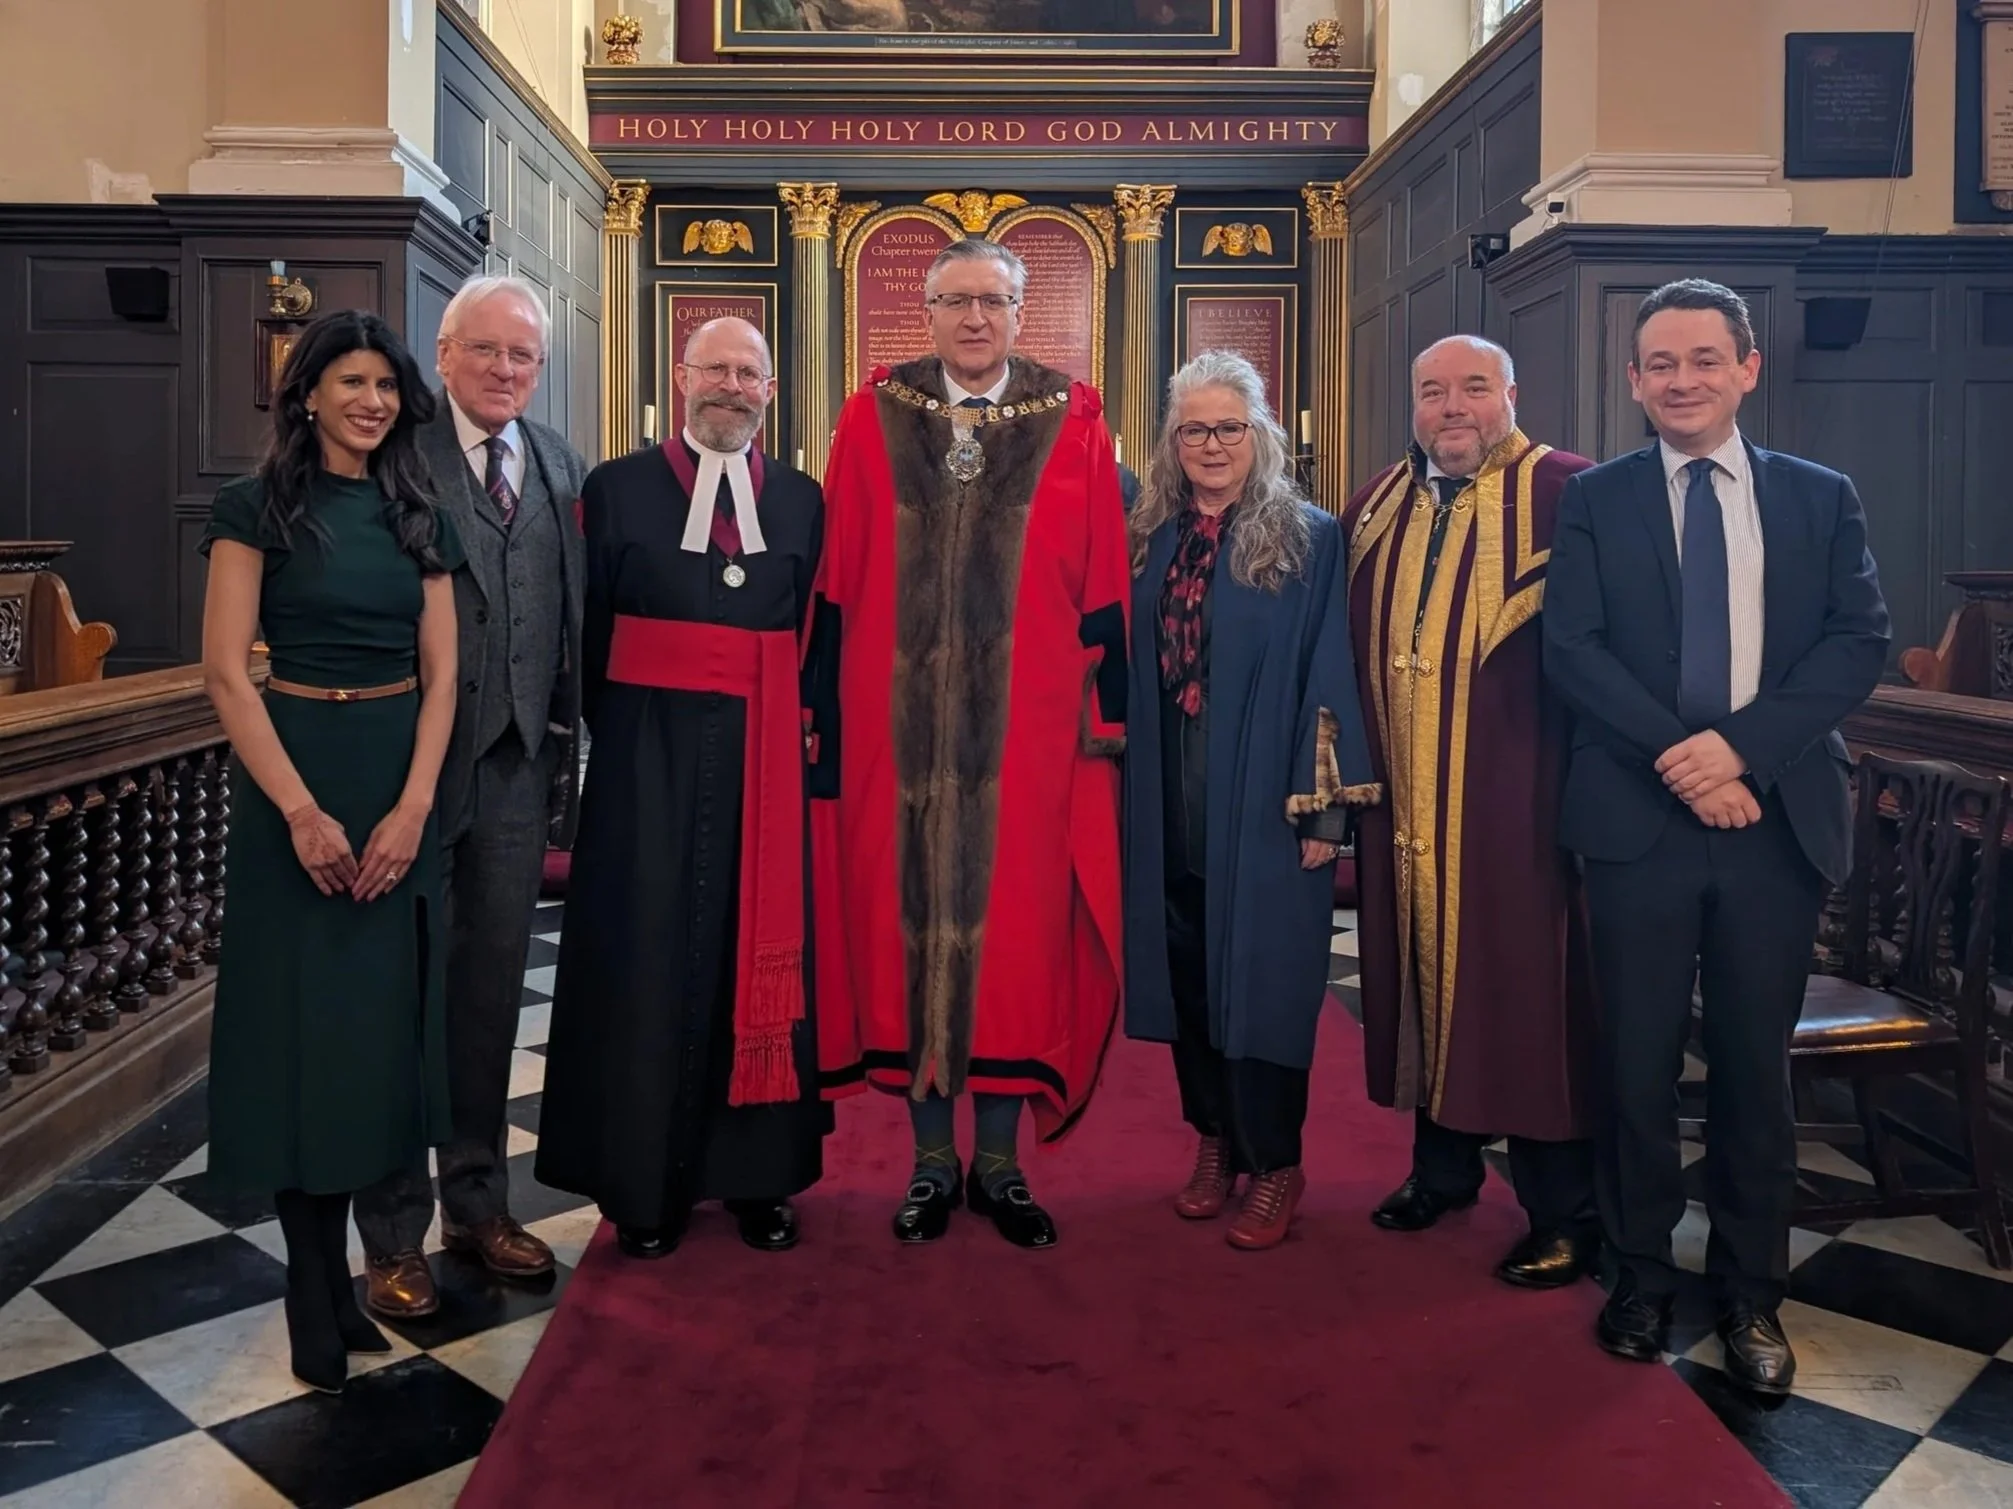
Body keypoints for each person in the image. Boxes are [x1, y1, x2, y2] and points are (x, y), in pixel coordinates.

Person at [1544, 280, 1889, 1393]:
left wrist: (1740, 754)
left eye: (1702, 359)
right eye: (1659, 364)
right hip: (1639, 821)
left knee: (1754, 1073)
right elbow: (1576, 651)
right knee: (1635, 1067)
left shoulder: (1817, 495)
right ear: (1634, 380)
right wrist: (1686, 762)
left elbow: (1855, 644)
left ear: (1746, 368)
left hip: (1771, 821)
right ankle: (1640, 1275)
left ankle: (1752, 1297)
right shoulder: (1599, 498)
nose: (1680, 381)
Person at [816, 237, 1129, 1249]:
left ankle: (998, 1165)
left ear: (1021, 309)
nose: (975, 320)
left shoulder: (1073, 422)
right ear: (929, 309)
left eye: (993, 301)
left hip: (1029, 741)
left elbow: (1107, 594)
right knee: (903, 938)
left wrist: (1102, 727)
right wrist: (826, 726)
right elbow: (834, 576)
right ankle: (929, 1164)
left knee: (1016, 951)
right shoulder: (871, 419)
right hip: (893, 739)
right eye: (956, 302)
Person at [536, 318, 842, 1257]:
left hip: (764, 759)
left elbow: (817, 636)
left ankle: (756, 1179)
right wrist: (620, 736)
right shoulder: (616, 487)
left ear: (771, 391)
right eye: (716, 367)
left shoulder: (801, 498)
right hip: (643, 754)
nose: (732, 385)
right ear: (681, 377)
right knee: (644, 954)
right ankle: (643, 1184)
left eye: (751, 371)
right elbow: (582, 635)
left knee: (759, 949)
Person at [199, 310, 462, 1392]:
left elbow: (444, 677)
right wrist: (303, 814)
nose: (372, 400)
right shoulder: (251, 508)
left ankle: (355, 1270)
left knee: (376, 1047)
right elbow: (224, 672)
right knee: (294, 1047)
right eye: (350, 381)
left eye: (386, 385)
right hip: (291, 779)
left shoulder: (418, 515)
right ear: (304, 393)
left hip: (395, 777)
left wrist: (408, 813)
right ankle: (309, 1285)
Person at [1342, 335, 1603, 1289]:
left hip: (1521, 806)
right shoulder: (1375, 505)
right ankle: (1441, 1170)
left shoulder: (1571, 495)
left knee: (1532, 998)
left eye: (1472, 389)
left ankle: (1562, 1210)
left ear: (1511, 393)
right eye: (1431, 391)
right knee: (1419, 978)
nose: (1451, 407)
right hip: (1403, 805)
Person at [352, 275, 589, 1317]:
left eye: (522, 357)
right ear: (441, 355)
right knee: (400, 1004)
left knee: (490, 1002)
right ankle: (392, 1232)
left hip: (512, 773)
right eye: (485, 351)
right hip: (403, 777)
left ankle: (481, 1204)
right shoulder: (392, 463)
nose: (504, 371)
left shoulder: (559, 465)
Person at [1122, 351, 1376, 1250]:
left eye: (1229, 426)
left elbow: (1330, 673)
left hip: (1265, 794)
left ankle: (1275, 1162)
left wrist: (1325, 810)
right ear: (1172, 439)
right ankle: (1213, 1141)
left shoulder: (1304, 535)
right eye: (1193, 428)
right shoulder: (1147, 531)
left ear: (1260, 432)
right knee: (1188, 970)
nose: (1211, 444)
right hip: (1166, 791)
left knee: (1264, 978)